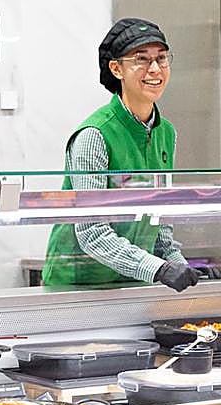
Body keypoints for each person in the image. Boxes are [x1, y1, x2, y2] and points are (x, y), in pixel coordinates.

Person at [42, 17, 200, 292]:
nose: (155, 69)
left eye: (162, 59)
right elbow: (92, 232)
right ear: (116, 69)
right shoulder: (94, 135)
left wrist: (179, 264)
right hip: (78, 288)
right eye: (141, 59)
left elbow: (158, 219)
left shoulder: (166, 133)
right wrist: (160, 269)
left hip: (132, 283)